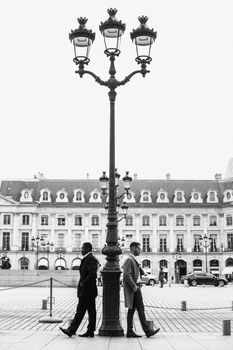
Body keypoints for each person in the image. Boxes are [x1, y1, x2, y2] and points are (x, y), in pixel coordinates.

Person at [60, 242, 98, 338]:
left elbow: (93, 274)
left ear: (88, 249)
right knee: (91, 311)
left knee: (80, 311)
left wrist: (83, 283)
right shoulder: (88, 258)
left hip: (86, 290)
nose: (81, 250)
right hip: (89, 290)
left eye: (83, 248)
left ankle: (71, 330)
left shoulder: (89, 259)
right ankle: (90, 331)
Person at [123, 242, 160, 338]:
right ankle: (147, 331)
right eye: (138, 249)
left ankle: (130, 331)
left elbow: (136, 273)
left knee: (132, 310)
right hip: (134, 289)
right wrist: (134, 287)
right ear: (133, 248)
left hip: (136, 288)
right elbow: (127, 275)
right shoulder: (129, 260)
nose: (140, 250)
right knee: (140, 309)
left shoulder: (133, 260)